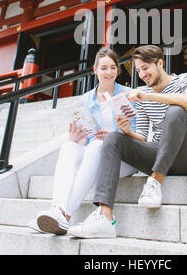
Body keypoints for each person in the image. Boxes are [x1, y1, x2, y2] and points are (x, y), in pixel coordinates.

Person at [67, 44, 187, 239]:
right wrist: (127, 131)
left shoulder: (182, 82)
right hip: (159, 155)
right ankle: (105, 216)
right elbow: (142, 137)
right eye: (138, 70)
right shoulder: (143, 97)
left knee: (175, 110)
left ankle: (155, 183)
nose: (142, 74)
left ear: (160, 63)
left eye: (146, 68)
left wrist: (148, 95)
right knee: (113, 138)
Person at [27, 47, 136, 235]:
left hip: (122, 159)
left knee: (96, 146)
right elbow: (87, 138)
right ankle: (57, 209)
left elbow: (135, 135)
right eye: (104, 68)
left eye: (112, 67)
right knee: (69, 146)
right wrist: (76, 139)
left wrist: (112, 135)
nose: (109, 72)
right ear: (95, 70)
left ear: (118, 70)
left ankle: (64, 215)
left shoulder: (128, 94)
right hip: (95, 153)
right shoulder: (86, 99)